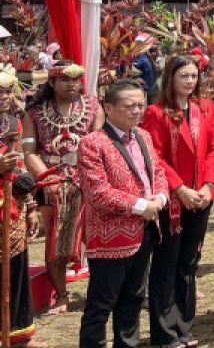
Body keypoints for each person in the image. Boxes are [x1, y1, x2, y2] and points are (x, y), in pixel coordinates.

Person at [78, 81, 169, 348]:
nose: (137, 111)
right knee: (101, 304)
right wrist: (142, 205)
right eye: (129, 106)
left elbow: (158, 172)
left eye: (141, 105)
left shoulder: (143, 136)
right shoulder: (92, 143)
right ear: (108, 108)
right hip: (110, 237)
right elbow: (98, 193)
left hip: (146, 230)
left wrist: (161, 198)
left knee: (133, 298)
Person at [141, 55, 214, 348]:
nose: (190, 81)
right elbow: (156, 157)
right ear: (170, 79)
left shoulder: (207, 108)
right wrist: (180, 189)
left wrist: (209, 185)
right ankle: (164, 333)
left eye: (193, 76)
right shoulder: (156, 113)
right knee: (166, 264)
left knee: (188, 264)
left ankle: (185, 328)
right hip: (173, 200)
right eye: (183, 76)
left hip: (201, 196)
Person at [21, 61, 103, 315]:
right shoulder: (34, 112)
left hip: (86, 179)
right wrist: (47, 177)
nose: (72, 85)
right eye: (65, 80)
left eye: (76, 79)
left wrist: (92, 175)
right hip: (51, 183)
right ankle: (62, 296)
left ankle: (100, 293)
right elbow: (29, 152)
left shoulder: (93, 107)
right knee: (55, 242)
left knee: (95, 238)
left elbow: (100, 144)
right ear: (52, 82)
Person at [0, 68, 44, 348]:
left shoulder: (11, 122)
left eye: (6, 91)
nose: (4, 97)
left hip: (11, 209)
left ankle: (17, 334)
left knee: (15, 272)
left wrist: (29, 206)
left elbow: (17, 168)